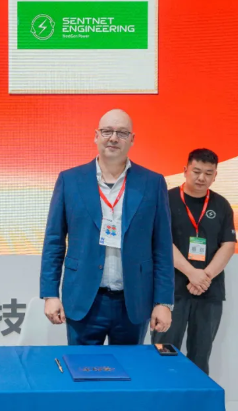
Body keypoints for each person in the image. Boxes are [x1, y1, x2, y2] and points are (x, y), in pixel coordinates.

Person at [40, 109, 174, 345]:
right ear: (96, 136)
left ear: (132, 139)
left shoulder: (152, 182)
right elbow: (54, 241)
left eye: (122, 133)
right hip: (84, 298)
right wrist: (50, 293)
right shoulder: (70, 180)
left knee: (128, 367)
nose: (113, 138)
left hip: (133, 301)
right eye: (107, 131)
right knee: (82, 366)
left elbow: (162, 246)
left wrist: (163, 302)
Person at [151, 148, 236, 374]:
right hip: (170, 293)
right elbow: (160, 242)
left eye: (208, 173)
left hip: (209, 292)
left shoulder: (221, 205)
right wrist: (192, 273)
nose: (201, 178)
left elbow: (228, 245)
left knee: (201, 354)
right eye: (196, 171)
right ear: (185, 170)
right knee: (163, 353)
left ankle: (196, 396)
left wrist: (204, 277)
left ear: (215, 175)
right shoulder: (165, 200)